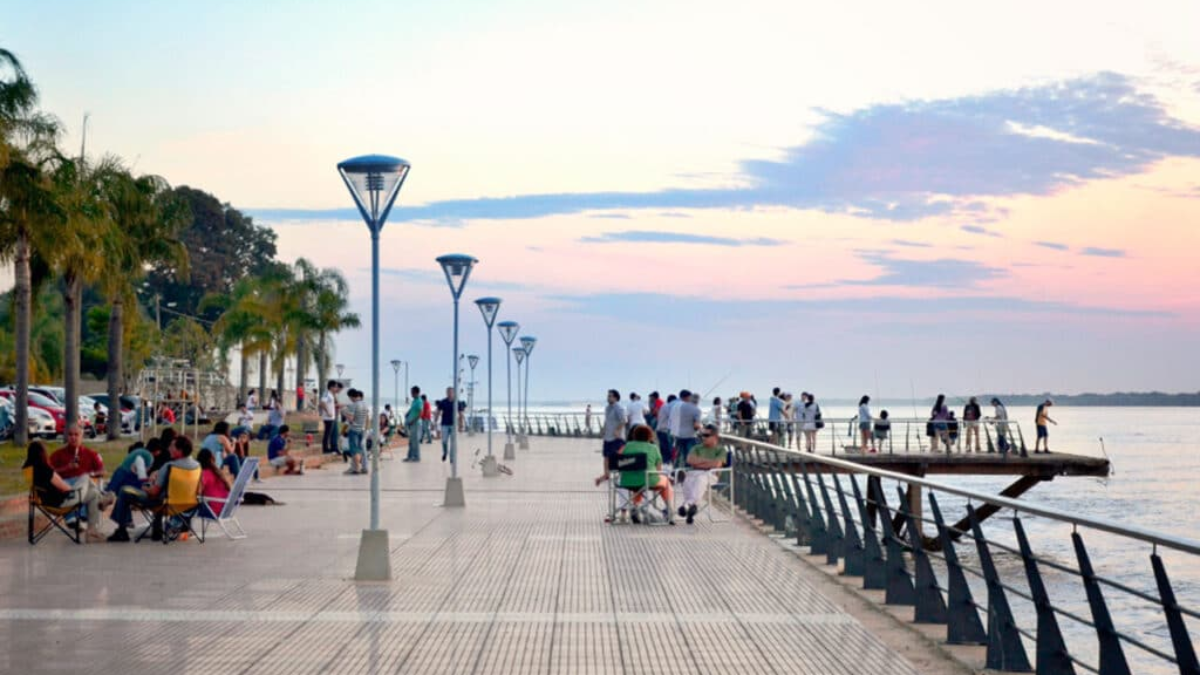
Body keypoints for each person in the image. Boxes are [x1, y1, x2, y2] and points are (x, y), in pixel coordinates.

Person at [120, 436, 200, 541]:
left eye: (172, 446)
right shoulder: (197, 466)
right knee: (161, 495)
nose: (168, 448)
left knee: (125, 491)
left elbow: (154, 492)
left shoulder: (169, 466)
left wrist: (144, 487)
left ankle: (121, 530)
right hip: (187, 504)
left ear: (180, 450)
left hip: (164, 504)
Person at [25, 441, 108, 542]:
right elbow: (66, 488)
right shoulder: (46, 470)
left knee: (94, 495)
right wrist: (77, 487)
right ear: (43, 454)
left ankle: (92, 532)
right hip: (61, 503)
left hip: (46, 502)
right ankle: (103, 499)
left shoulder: (29, 469)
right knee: (85, 477)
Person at [618, 424, 674, 524]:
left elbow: (617, 460)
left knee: (638, 484)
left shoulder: (626, 446)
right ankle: (669, 509)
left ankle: (636, 507)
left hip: (627, 480)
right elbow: (659, 469)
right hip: (648, 480)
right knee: (665, 481)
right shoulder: (653, 447)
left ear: (634, 435)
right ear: (650, 436)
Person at [106, 439, 159, 541]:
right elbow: (142, 473)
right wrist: (147, 482)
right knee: (124, 492)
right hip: (152, 492)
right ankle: (124, 524)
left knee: (124, 492)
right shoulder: (149, 457)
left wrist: (146, 483)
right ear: (157, 451)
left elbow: (140, 473)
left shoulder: (140, 454)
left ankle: (123, 527)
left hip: (151, 494)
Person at [679, 424, 727, 524]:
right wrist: (709, 462)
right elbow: (690, 460)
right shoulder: (697, 448)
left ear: (715, 437)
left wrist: (699, 462)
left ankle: (687, 504)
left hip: (711, 475)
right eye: (702, 435)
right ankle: (691, 506)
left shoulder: (720, 450)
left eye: (706, 435)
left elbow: (717, 464)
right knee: (688, 479)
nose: (703, 437)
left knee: (701, 479)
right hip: (695, 473)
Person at [594, 389, 627, 486]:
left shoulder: (619, 407)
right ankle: (606, 475)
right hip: (607, 437)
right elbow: (607, 421)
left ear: (616, 398)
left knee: (617, 458)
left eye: (610, 396)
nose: (608, 398)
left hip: (617, 438)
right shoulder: (608, 408)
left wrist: (618, 430)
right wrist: (602, 430)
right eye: (608, 396)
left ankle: (619, 476)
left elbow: (624, 420)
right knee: (606, 457)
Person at [197, 448, 232, 518]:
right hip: (225, 509)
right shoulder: (217, 472)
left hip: (213, 511)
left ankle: (179, 526)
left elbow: (198, 492)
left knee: (186, 507)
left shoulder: (204, 474)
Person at [341, 389, 369, 474]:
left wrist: (344, 412)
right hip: (361, 429)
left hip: (354, 430)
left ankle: (356, 469)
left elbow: (351, 419)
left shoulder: (353, 405)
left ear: (351, 396)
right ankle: (358, 467)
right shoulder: (365, 404)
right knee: (360, 450)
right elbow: (366, 417)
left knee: (354, 450)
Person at [673, 390, 702, 466]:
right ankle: (687, 473)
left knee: (678, 456)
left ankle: (676, 472)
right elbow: (696, 426)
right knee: (689, 457)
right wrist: (701, 427)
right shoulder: (697, 410)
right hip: (690, 436)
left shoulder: (680, 406)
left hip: (679, 435)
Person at [435, 387, 456, 463]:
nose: (449, 393)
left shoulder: (456, 402)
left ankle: (452, 458)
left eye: (451, 392)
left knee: (453, 442)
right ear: (446, 393)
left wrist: (460, 425)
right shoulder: (443, 402)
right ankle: (445, 452)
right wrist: (435, 421)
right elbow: (438, 411)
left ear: (453, 393)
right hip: (444, 424)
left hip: (454, 425)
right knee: (444, 441)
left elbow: (460, 414)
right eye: (448, 392)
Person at [320, 380, 341, 455]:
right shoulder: (326, 394)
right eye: (335, 387)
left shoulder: (331, 394)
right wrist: (328, 411)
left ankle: (328, 448)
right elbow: (322, 403)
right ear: (331, 387)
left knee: (329, 433)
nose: (336, 388)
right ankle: (325, 449)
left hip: (331, 417)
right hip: (327, 418)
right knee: (327, 433)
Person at [656, 394, 677, 463]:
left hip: (660, 429)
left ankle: (665, 464)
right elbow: (672, 417)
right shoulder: (668, 407)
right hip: (664, 430)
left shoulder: (664, 406)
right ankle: (667, 464)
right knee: (667, 450)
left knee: (664, 450)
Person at [405, 386, 423, 462]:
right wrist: (408, 413)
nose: (411, 394)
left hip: (416, 423)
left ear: (416, 392)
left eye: (412, 392)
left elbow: (420, 413)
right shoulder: (414, 401)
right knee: (411, 441)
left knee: (415, 441)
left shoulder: (419, 401)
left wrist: (413, 421)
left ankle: (417, 457)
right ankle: (410, 456)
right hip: (411, 423)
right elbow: (412, 409)